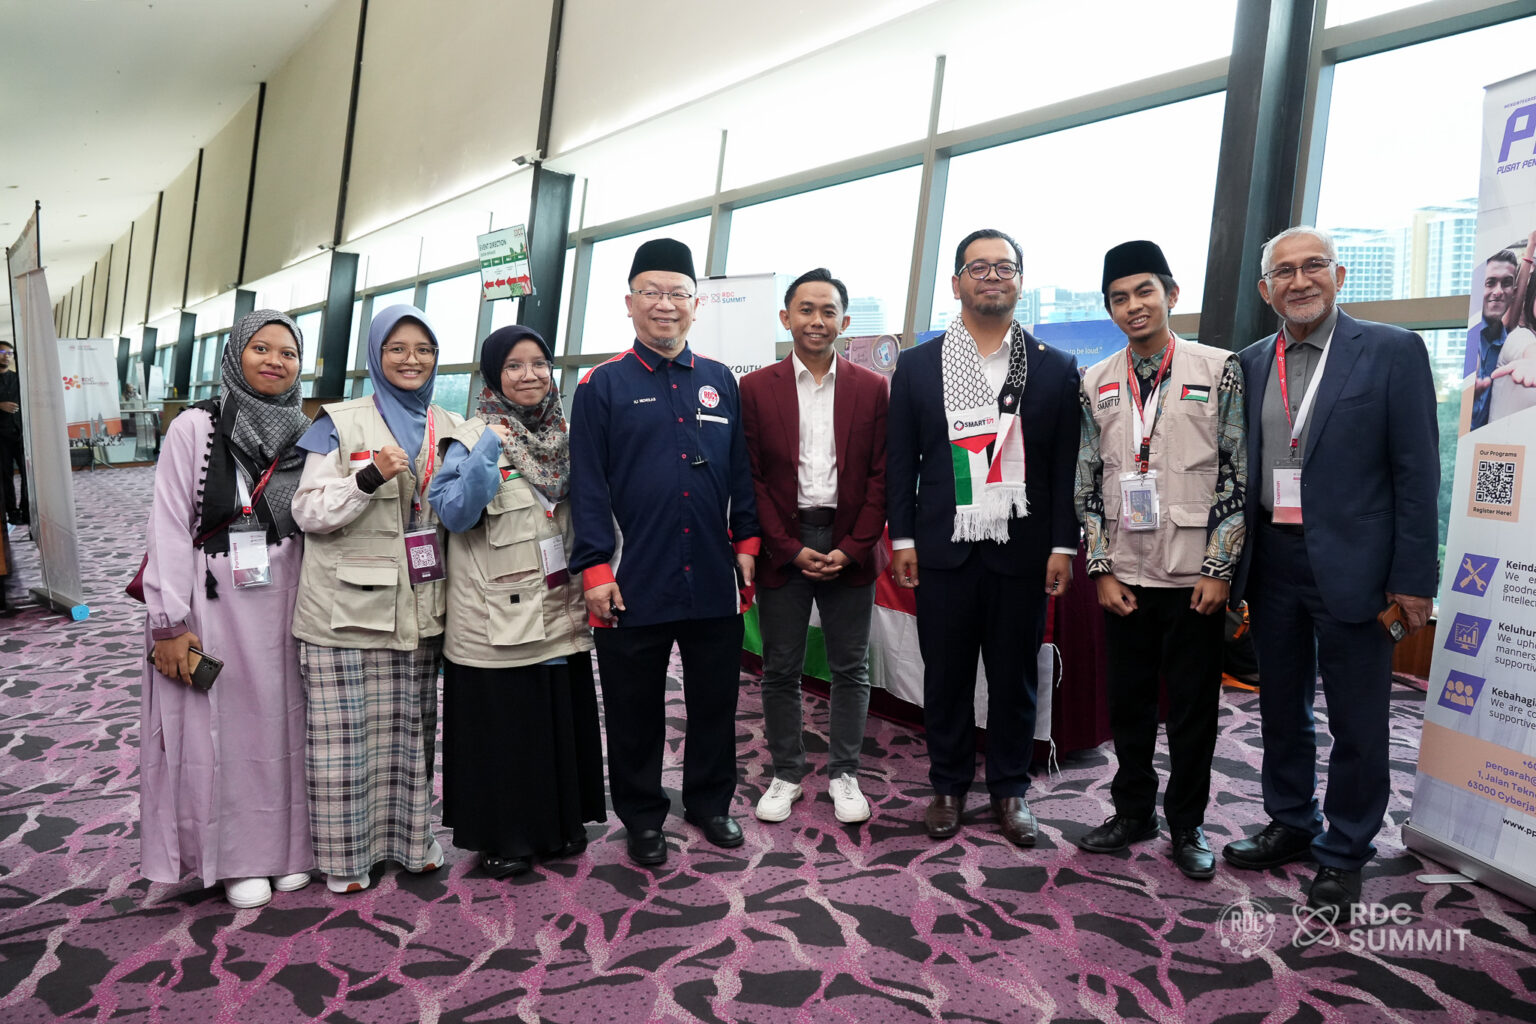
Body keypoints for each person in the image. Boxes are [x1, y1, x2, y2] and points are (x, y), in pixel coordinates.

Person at [1227, 226, 1438, 917]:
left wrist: (1414, 578)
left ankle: (1346, 848)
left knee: (1358, 719)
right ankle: (1291, 819)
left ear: (1339, 275)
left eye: (1312, 265)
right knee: (1280, 707)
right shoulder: (1250, 363)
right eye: (1283, 272)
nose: (1299, 280)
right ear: (1266, 290)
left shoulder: (1391, 350)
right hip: (1272, 562)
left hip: (1358, 567)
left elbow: (1417, 474)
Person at [569, 238, 761, 867]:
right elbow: (587, 486)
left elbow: (740, 472)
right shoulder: (601, 385)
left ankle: (710, 802)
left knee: (715, 701)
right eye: (651, 292)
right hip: (632, 575)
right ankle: (643, 816)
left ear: (696, 304)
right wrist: (595, 568)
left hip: (712, 571)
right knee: (634, 708)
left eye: (678, 293)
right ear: (629, 303)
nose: (665, 304)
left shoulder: (720, 381)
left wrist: (748, 542)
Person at [886, 228, 1081, 846]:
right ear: (956, 283)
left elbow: (1063, 466)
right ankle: (947, 784)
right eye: (979, 267)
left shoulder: (1054, 367)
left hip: (1023, 551)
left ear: (1020, 281)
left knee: (1014, 677)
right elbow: (901, 462)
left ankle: (1010, 790)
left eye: (1005, 267)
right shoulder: (919, 365)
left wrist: (1063, 545)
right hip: (942, 548)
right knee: (944, 675)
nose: (992, 276)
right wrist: (902, 539)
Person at [1073, 240, 1246, 880]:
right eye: (1119, 298)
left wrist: (1219, 569)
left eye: (1144, 291)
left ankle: (1188, 823)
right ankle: (1133, 812)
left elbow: (1237, 473)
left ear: (1171, 295)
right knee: (1130, 704)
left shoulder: (1219, 369)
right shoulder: (1096, 381)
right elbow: (1086, 482)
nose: (1133, 306)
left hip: (1194, 577)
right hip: (1125, 575)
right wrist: (1100, 568)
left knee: (1194, 709)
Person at [139, 310, 314, 908]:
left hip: (288, 597)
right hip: (213, 601)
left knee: (289, 722)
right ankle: (237, 857)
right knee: (225, 730)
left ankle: (291, 848)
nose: (275, 361)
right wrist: (168, 621)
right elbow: (167, 525)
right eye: (260, 348)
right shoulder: (195, 426)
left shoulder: (307, 432)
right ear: (235, 354)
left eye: (288, 352)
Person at [290, 304, 462, 893]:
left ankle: (414, 845)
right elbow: (307, 511)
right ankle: (346, 862)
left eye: (424, 350)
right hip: (343, 615)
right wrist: (368, 477)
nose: (412, 360)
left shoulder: (450, 423)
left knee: (409, 740)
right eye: (398, 348)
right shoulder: (337, 422)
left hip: (418, 607)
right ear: (376, 353)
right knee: (344, 747)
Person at [428, 325, 606, 878]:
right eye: (513, 366)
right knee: (507, 730)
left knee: (556, 717)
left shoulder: (566, 435)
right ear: (492, 375)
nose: (529, 375)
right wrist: (487, 453)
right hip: (493, 619)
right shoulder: (469, 436)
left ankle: (560, 824)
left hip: (558, 606)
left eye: (538, 363)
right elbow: (454, 513)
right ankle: (506, 836)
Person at [740, 268, 888, 825]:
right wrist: (785, 546)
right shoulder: (756, 389)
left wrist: (853, 547)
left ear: (845, 322)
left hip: (850, 543)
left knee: (851, 667)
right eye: (806, 309)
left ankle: (844, 773)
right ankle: (786, 772)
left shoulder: (872, 388)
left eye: (828, 311)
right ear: (786, 317)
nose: (817, 320)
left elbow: (881, 477)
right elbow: (751, 478)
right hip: (785, 543)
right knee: (781, 667)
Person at [1465, 249, 1518, 429]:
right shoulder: (1465, 339)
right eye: (1490, 283)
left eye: (1506, 283)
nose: (1498, 291)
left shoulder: (1509, 345)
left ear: (1513, 292)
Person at [0, 339, 26, 525]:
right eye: (3, 353)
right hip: (1, 436)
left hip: (20, 434)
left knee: (28, 474)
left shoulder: (19, 378)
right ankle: (12, 511)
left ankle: (26, 509)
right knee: (5, 476)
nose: (7, 356)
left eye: (10, 353)